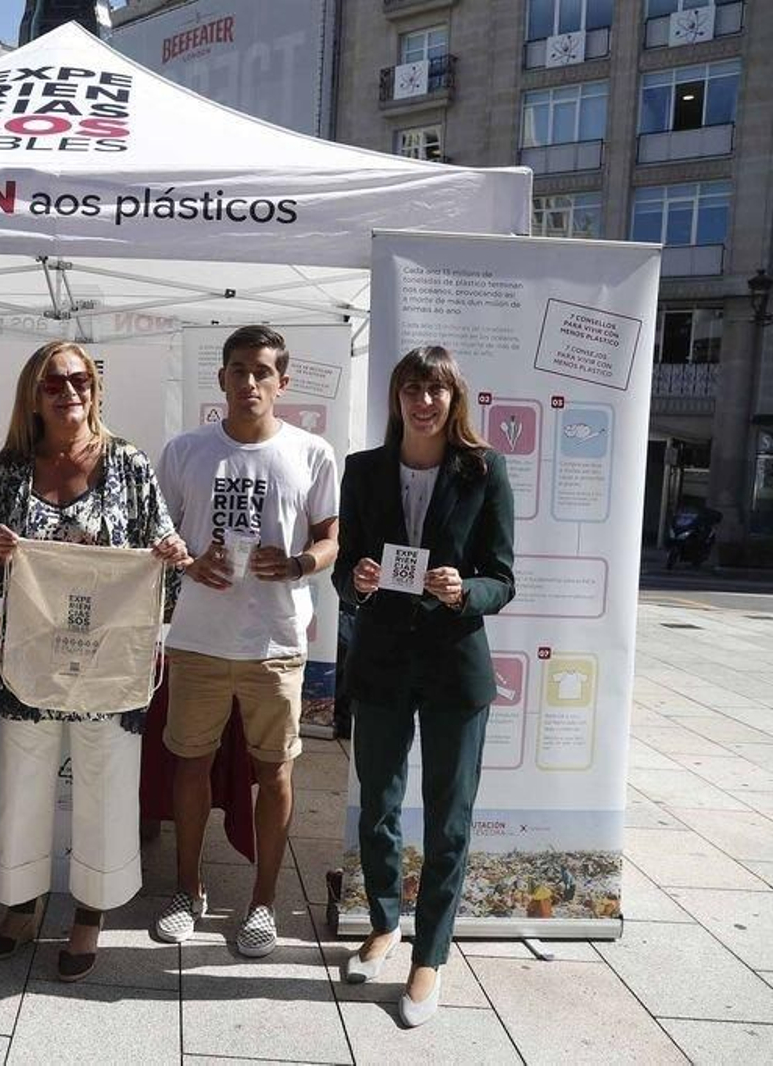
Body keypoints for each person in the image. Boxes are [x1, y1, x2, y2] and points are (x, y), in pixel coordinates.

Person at [0, 341, 189, 983]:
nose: (69, 390)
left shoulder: (128, 463)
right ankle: (20, 906)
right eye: (52, 382)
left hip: (110, 665)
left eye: (80, 379)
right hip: (31, 658)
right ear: (32, 397)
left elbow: (162, 569)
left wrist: (169, 556)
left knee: (107, 786)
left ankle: (89, 912)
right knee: (22, 786)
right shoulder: (10, 466)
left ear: (96, 388)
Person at [331, 345, 515, 1028]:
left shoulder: (484, 470)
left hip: (452, 666)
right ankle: (384, 925)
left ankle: (429, 956)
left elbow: (504, 576)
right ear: (397, 397)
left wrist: (466, 589)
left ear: (454, 398)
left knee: (449, 818)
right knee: (378, 804)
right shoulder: (365, 470)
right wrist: (356, 580)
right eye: (412, 387)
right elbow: (344, 566)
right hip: (380, 660)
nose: (424, 401)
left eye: (436, 390)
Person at [152, 325, 339, 959]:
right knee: (190, 765)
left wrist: (296, 566)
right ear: (222, 378)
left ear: (282, 382)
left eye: (262, 371)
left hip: (276, 641)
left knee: (275, 772)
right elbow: (162, 535)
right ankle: (187, 889)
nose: (249, 382)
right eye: (238, 370)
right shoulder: (184, 450)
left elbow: (330, 540)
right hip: (199, 639)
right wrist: (186, 561)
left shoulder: (312, 452)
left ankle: (262, 901)